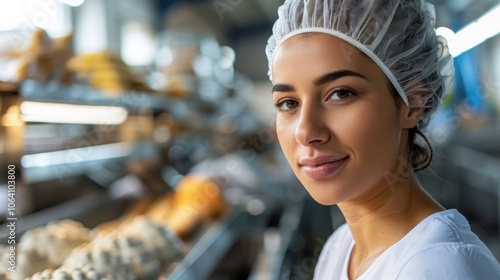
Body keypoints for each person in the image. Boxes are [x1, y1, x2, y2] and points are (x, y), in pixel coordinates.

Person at [265, 0, 500, 279]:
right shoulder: (340, 247)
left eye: (341, 93)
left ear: (412, 103)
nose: (305, 132)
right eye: (288, 103)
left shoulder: (439, 266)